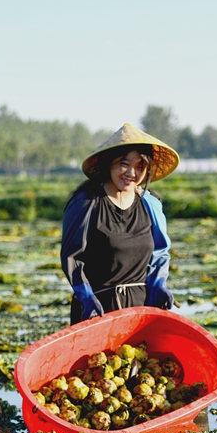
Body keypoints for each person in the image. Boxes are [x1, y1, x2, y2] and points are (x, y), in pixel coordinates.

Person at [60, 123, 180, 325]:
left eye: (140, 166)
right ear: (109, 163)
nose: (132, 173)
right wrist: (86, 297)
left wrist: (159, 284)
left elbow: (160, 252)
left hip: (141, 311)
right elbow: (72, 257)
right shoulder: (86, 203)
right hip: (97, 311)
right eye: (124, 163)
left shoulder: (151, 204)